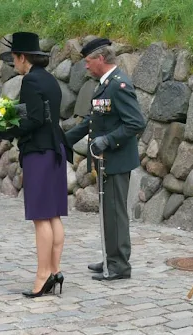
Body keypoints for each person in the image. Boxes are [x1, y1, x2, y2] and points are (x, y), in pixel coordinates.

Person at [0, 32, 73, 297]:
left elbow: (34, 120)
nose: (13, 64)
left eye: (14, 59)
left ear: (22, 57)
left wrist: (3, 131)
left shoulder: (30, 80)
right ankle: (54, 271)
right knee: (53, 215)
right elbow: (43, 114)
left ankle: (43, 276)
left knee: (41, 217)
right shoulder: (49, 79)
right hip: (56, 149)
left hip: (39, 152)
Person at [65, 37, 145, 281]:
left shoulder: (119, 85)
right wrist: (64, 139)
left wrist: (108, 141)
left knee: (115, 212)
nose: (86, 66)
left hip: (116, 159)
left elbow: (136, 122)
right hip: (106, 160)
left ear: (100, 59)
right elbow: (94, 120)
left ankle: (120, 264)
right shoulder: (105, 84)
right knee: (108, 212)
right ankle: (112, 257)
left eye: (88, 61)